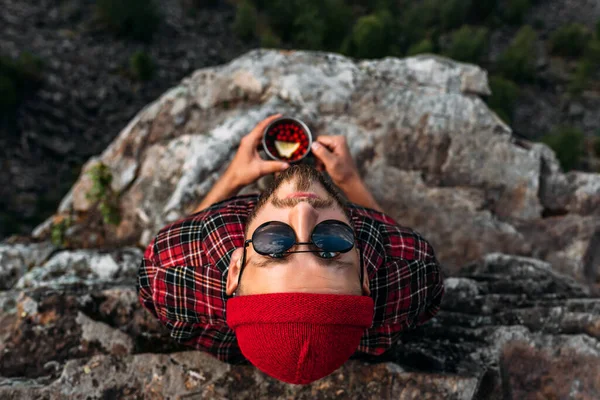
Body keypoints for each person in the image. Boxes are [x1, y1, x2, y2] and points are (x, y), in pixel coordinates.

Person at [138, 114, 445, 385]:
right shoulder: (411, 273)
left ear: (235, 268)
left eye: (272, 244)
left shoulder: (173, 272)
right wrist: (349, 181)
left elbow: (185, 233)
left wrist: (233, 178)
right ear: (366, 270)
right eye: (332, 244)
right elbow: (390, 236)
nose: (303, 209)